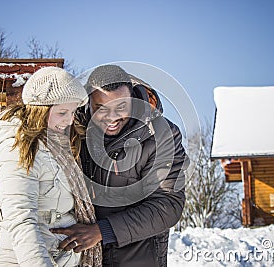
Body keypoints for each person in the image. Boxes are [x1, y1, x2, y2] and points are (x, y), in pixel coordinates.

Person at [51, 65, 189, 267]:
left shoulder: (160, 136)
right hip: (78, 258)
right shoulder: (71, 130)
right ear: (88, 103)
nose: (112, 117)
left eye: (121, 107)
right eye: (101, 108)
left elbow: (167, 205)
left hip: (138, 258)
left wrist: (101, 231)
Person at [0, 67, 102, 267]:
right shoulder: (15, 148)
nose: (69, 120)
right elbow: (22, 222)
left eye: (73, 111)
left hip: (58, 257)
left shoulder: (55, 146)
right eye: (62, 112)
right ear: (39, 110)